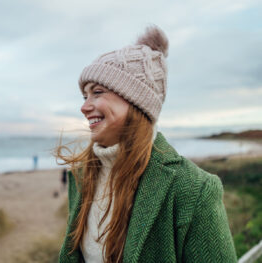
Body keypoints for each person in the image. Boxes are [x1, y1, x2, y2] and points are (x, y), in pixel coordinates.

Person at [56, 26, 236, 262]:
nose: (84, 107)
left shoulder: (193, 190)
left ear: (136, 101)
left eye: (97, 92)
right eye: (84, 96)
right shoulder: (81, 177)